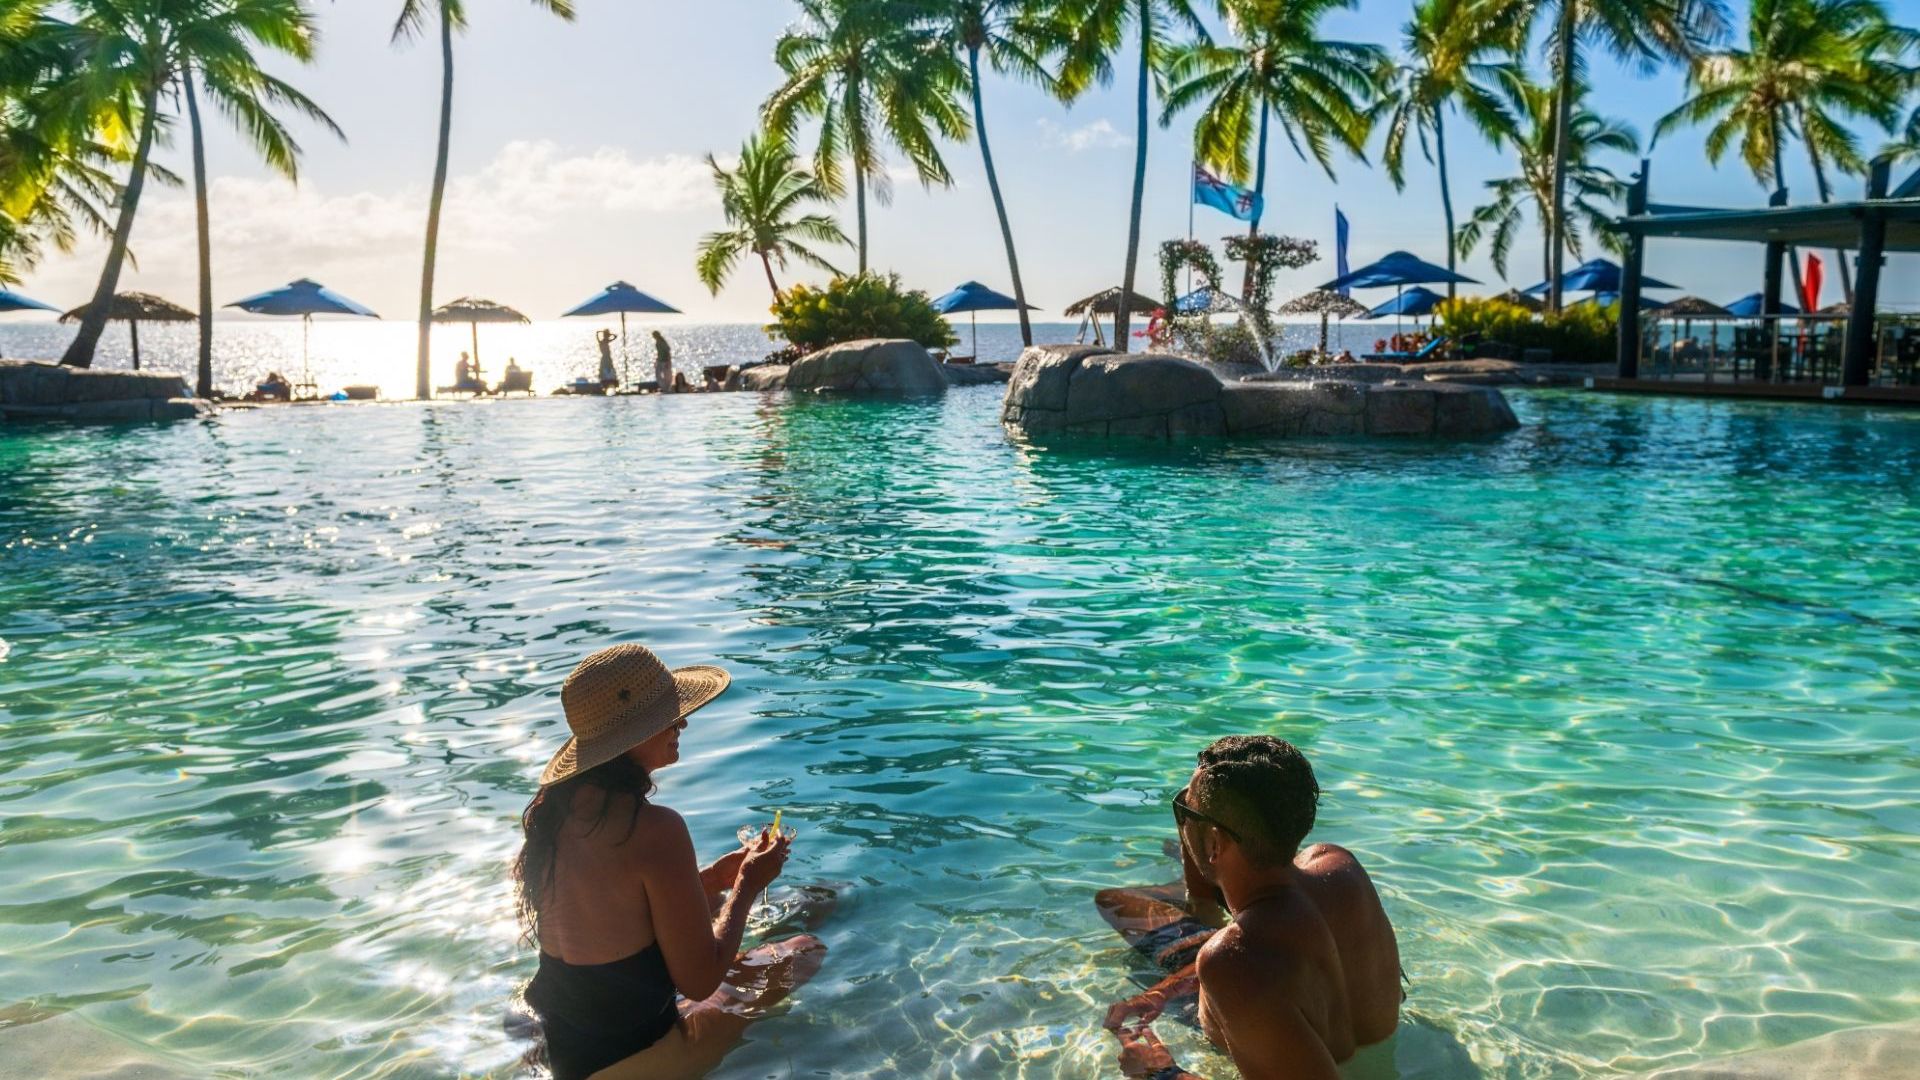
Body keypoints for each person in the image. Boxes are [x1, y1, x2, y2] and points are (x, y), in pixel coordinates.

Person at [515, 644, 827, 1080]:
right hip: (635, 1063)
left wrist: (716, 879)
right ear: (631, 734)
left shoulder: (557, 814)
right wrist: (748, 885)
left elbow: (618, 919)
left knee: (719, 912)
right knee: (806, 949)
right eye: (668, 714)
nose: (681, 721)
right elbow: (699, 982)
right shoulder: (654, 828)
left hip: (568, 1051)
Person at [1097, 736, 1400, 1080]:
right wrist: (1166, 990)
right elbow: (1282, 966)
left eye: (1185, 812)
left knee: (1112, 902)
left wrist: (1158, 1071)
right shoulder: (1340, 868)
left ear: (1213, 842)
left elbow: (1252, 965)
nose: (1181, 822)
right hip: (1377, 1055)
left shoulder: (1230, 961)